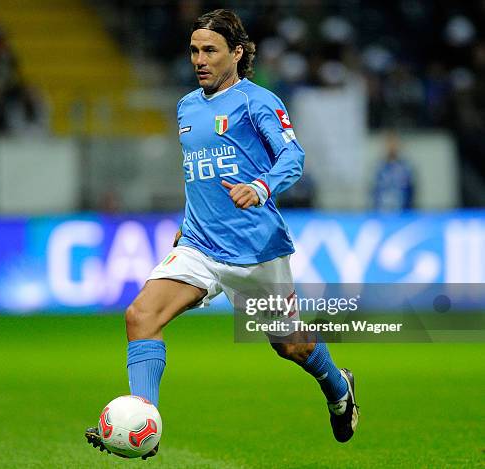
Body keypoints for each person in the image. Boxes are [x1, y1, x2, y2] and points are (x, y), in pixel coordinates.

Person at [86, 9, 359, 458]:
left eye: (210, 50)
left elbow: (293, 158)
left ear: (236, 53)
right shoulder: (187, 107)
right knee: (140, 316)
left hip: (256, 253)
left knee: (291, 346)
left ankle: (337, 387)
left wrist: (260, 186)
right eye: (194, 50)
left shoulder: (259, 102)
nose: (200, 59)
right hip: (199, 245)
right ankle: (144, 421)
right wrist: (187, 222)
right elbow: (201, 175)